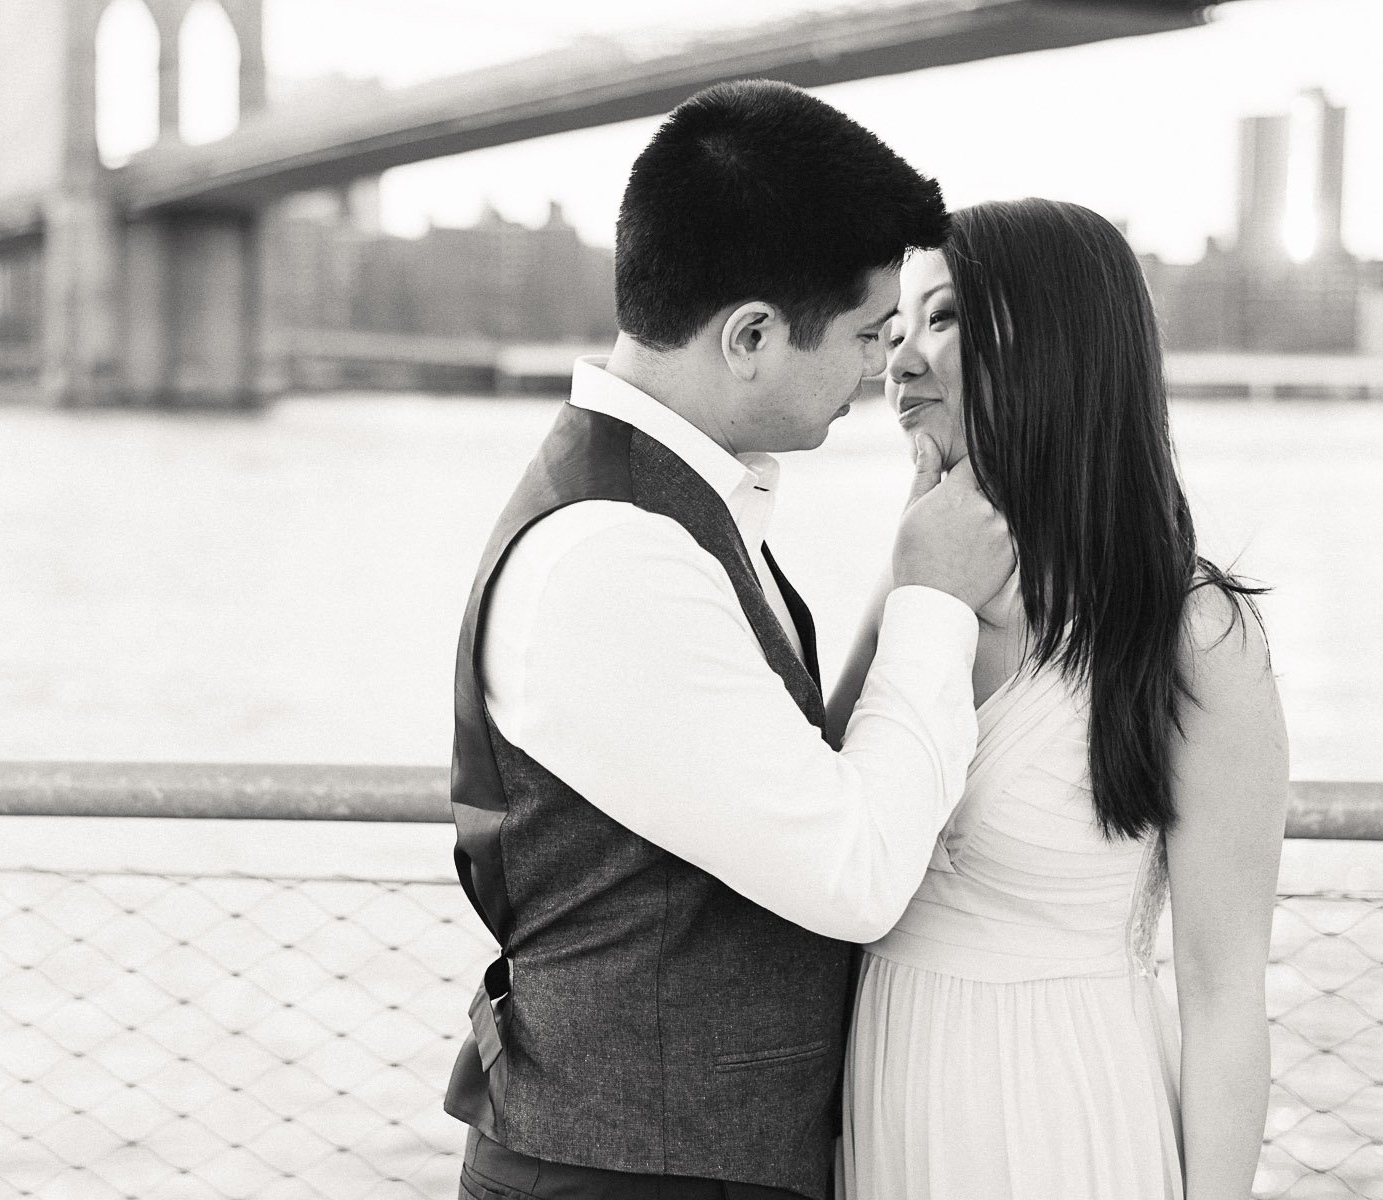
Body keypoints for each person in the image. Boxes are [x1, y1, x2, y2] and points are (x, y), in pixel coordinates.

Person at [445, 80, 1015, 1200]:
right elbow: (854, 873)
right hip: (626, 1175)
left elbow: (800, 776)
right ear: (751, 334)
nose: (879, 370)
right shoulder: (611, 554)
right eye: (865, 333)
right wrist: (935, 600)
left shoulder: (674, 509)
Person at [832, 199, 1289, 1199]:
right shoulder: (920, 595)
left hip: (1066, 1121)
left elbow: (1221, 996)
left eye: (943, 319)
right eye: (897, 326)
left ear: (1057, 344)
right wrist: (909, 578)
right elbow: (828, 837)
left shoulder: (1192, 635)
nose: (898, 360)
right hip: (885, 1115)